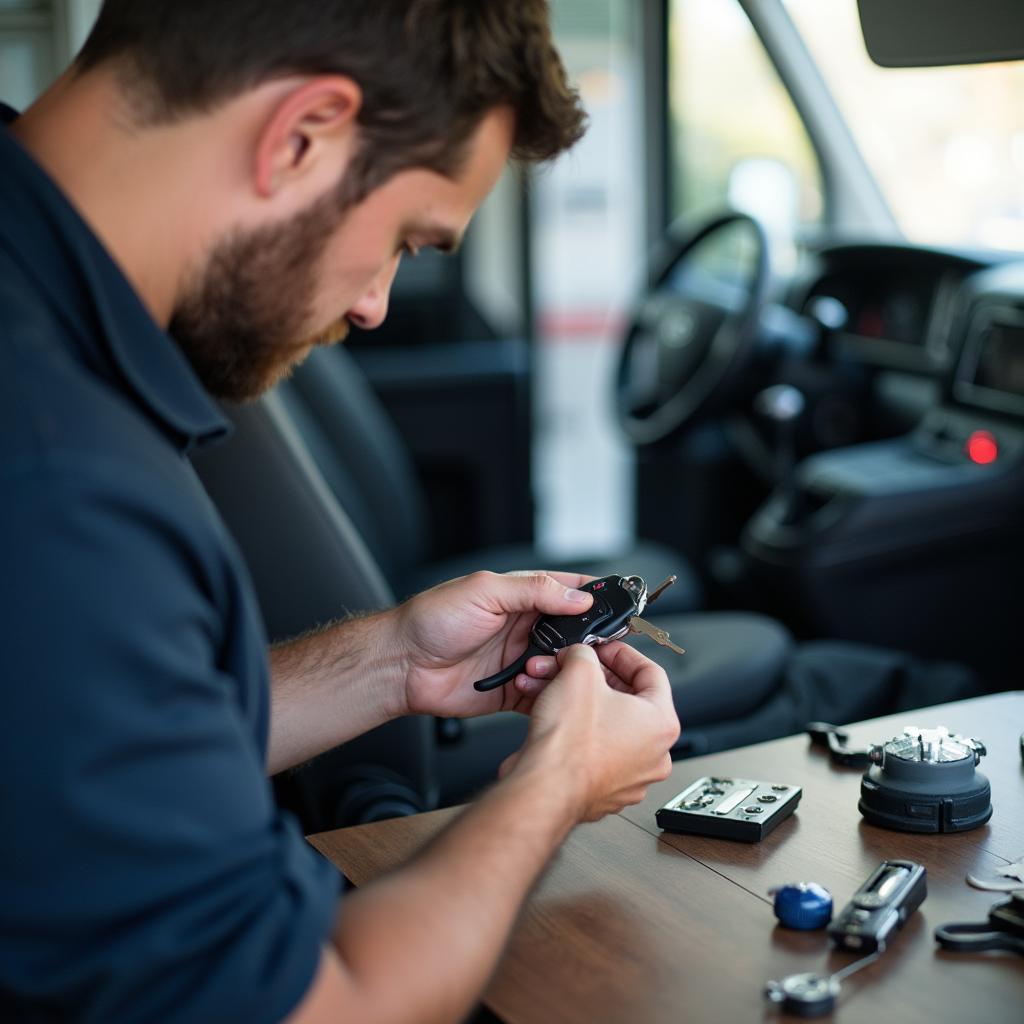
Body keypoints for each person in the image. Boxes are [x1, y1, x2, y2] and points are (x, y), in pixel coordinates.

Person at [0, 2, 680, 1021]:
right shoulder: (63, 478)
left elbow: (75, 727)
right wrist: (558, 781)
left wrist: (394, 661)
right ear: (304, 134)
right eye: (407, 238)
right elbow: (324, 1004)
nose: (375, 307)